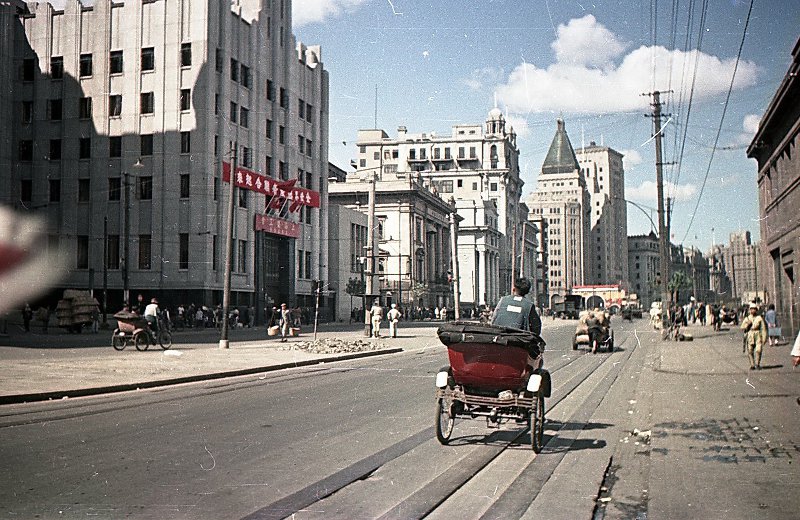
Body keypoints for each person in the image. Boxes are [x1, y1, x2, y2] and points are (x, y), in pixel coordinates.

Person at [741, 302, 767, 370]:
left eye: (754, 309)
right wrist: (747, 325)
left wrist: (764, 338)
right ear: (749, 310)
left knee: (758, 350)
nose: (753, 310)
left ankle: (757, 364)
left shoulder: (759, 318)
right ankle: (752, 365)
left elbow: (763, 329)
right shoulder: (747, 318)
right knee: (750, 350)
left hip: (758, 335)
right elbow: (742, 327)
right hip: (750, 335)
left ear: (756, 310)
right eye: (751, 309)